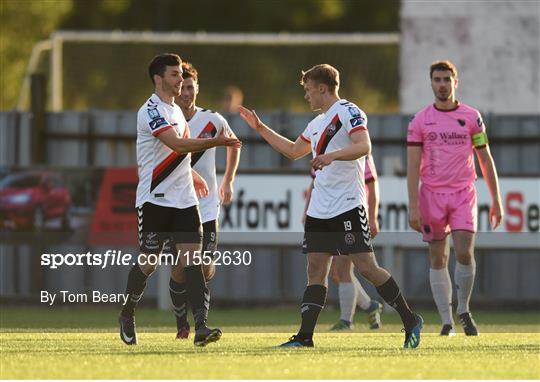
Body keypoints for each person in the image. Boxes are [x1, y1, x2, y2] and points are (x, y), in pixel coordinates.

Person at [239, 64, 423, 349]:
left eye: (308, 90)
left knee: (367, 268)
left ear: (322, 88)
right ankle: (305, 337)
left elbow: (364, 147)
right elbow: (291, 150)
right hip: (319, 210)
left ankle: (410, 320)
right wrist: (260, 127)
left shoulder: (349, 112)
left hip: (348, 205)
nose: (307, 96)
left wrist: (332, 156)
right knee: (316, 270)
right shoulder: (316, 124)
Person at [118, 53, 241, 347]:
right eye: (174, 75)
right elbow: (176, 144)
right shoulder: (150, 111)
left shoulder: (175, 110)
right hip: (155, 200)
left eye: (181, 75)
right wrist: (216, 141)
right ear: (159, 79)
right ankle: (127, 312)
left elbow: (178, 155)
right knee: (148, 263)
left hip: (185, 201)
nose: (180, 80)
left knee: (193, 261)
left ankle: (201, 328)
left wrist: (194, 176)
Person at [407, 60, 503, 336]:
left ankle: (463, 309)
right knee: (438, 257)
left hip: (463, 193)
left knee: (464, 252)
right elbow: (413, 165)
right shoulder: (420, 121)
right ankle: (446, 321)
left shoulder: (472, 117)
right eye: (437, 79)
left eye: (447, 79)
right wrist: (413, 205)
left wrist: (497, 199)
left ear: (455, 82)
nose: (442, 84)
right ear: (431, 83)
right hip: (431, 195)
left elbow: (485, 158)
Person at [169, 61, 241, 339]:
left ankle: (200, 324)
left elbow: (234, 144)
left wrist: (229, 179)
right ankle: (183, 325)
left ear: (197, 88)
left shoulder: (213, 120)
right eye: (182, 87)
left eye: (190, 87)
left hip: (207, 207)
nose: (186, 92)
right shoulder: (167, 121)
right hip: (177, 206)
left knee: (204, 267)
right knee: (179, 270)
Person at [304, 156, 383, 331]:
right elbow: (314, 183)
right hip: (327, 213)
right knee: (338, 274)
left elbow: (372, 183)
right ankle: (370, 306)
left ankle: (346, 321)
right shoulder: (321, 147)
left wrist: (373, 217)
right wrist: (307, 210)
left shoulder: (358, 149)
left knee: (345, 268)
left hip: (350, 213)